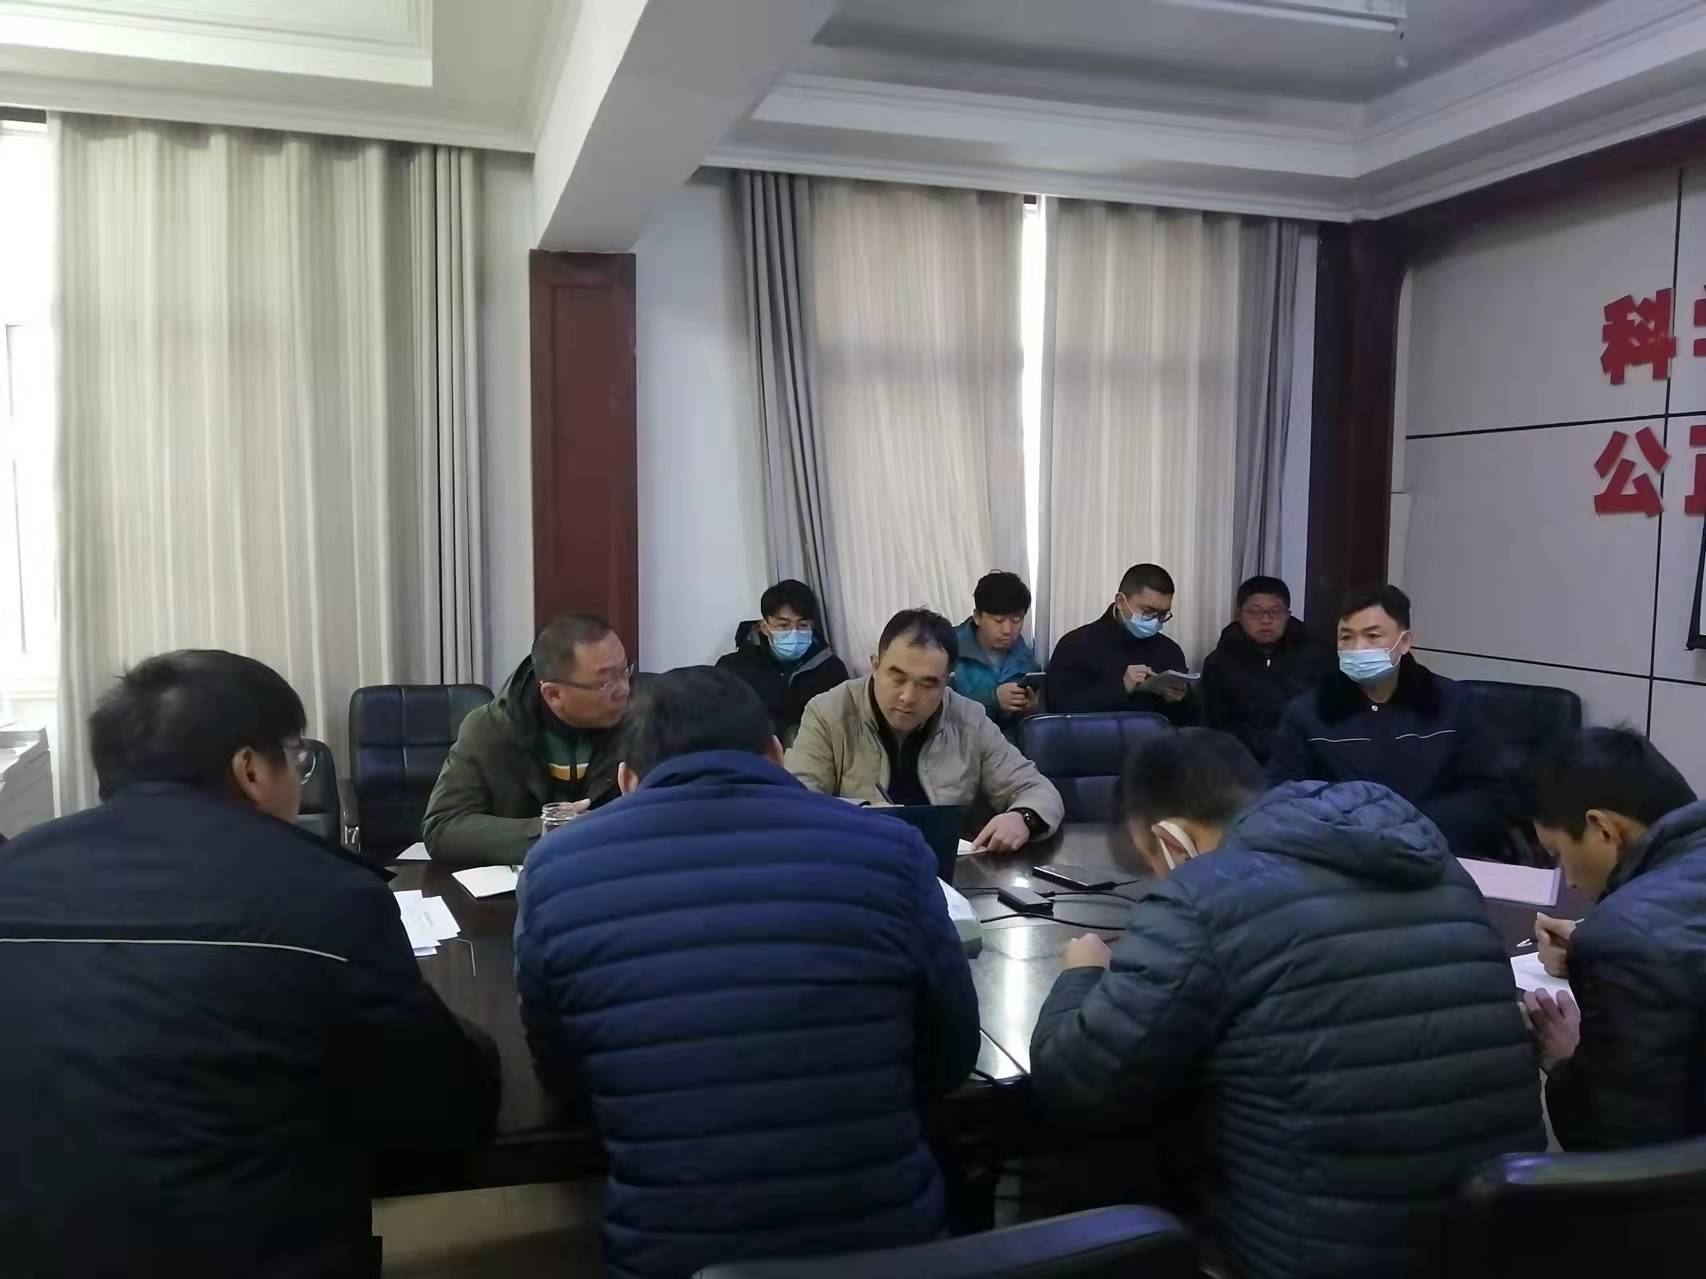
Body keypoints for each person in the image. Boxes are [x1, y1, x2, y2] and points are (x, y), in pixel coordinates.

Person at [0, 650, 498, 1279]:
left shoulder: (14, 870)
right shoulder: (324, 893)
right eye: (294, 757)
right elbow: (440, 1105)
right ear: (250, 769)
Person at [516, 667, 979, 1279]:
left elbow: (564, 1074)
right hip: (891, 1251)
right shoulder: (892, 849)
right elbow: (951, 1052)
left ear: (627, 781)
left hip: (673, 1255)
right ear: (777, 755)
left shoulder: (554, 869)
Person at [1029, 729, 1543, 1279]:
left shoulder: (1201, 896)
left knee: (1096, 1156)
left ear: (1171, 839)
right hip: (1498, 1241)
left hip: (1318, 1257)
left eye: (1150, 862)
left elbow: (1076, 1084)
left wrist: (1081, 974)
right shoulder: (1437, 865)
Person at [1523, 728, 1705, 1150]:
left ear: (1602, 829)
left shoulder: (1621, 938)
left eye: (1558, 854)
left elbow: (1613, 1145)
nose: (1568, 879)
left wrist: (1567, 1061)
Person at [787, 608, 1064, 852]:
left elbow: (1036, 789)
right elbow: (795, 803)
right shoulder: (829, 712)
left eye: (927, 684)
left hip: (951, 872)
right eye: (897, 678)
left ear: (946, 683)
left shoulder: (969, 719)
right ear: (875, 666)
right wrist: (866, 817)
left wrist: (1022, 818)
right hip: (858, 864)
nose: (908, 697)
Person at [1268, 584, 1510, 855]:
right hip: (1340, 854)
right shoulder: (1310, 712)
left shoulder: (1452, 704)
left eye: (1372, 636)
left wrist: (1410, 824)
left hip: (1436, 852)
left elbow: (1488, 795)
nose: (1358, 648)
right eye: (1346, 637)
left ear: (1404, 642)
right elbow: (1282, 796)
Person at [423, 611, 632, 865]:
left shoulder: (642, 719)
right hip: (519, 883)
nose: (624, 690)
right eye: (605, 683)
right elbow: (443, 827)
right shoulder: (491, 728)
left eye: (624, 672)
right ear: (553, 694)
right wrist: (550, 830)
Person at [1047, 563, 1199, 726]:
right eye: (1148, 612)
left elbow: (1190, 723)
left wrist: (1177, 699)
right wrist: (1122, 686)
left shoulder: (1169, 650)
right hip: (1093, 740)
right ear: (1120, 601)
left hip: (1157, 741)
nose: (1155, 621)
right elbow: (1057, 707)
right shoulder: (1075, 645)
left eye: (1162, 614)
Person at [1199, 575, 1331, 763]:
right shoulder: (1218, 664)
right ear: (1238, 615)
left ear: (1288, 615)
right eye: (1255, 612)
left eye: (1275, 612)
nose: (1266, 620)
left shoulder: (1317, 657)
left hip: (1304, 759)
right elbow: (1213, 727)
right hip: (1240, 761)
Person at [715, 578, 849, 745]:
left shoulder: (831, 669)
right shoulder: (733, 668)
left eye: (802, 625)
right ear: (765, 627)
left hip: (814, 755)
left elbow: (844, 725)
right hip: (753, 754)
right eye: (784, 626)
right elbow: (720, 723)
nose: (794, 633)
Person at [950, 571, 1041, 740]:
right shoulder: (947, 648)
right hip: (957, 746)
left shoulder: (1028, 662)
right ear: (977, 617)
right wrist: (992, 699)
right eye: (998, 620)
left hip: (1007, 750)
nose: (1008, 630)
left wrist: (1031, 710)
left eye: (1016, 620)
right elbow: (935, 707)